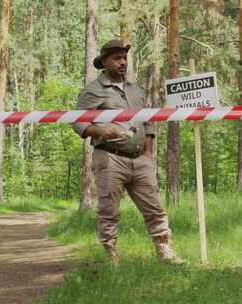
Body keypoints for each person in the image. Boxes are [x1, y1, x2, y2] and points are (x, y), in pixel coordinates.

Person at [72, 40, 183, 265]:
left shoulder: (135, 89)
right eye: (117, 58)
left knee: (155, 208)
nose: (122, 62)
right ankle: (110, 255)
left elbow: (148, 120)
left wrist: (149, 154)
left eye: (124, 57)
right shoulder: (93, 91)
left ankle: (164, 250)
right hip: (110, 158)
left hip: (140, 159)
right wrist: (101, 130)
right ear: (104, 62)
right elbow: (78, 122)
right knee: (109, 210)